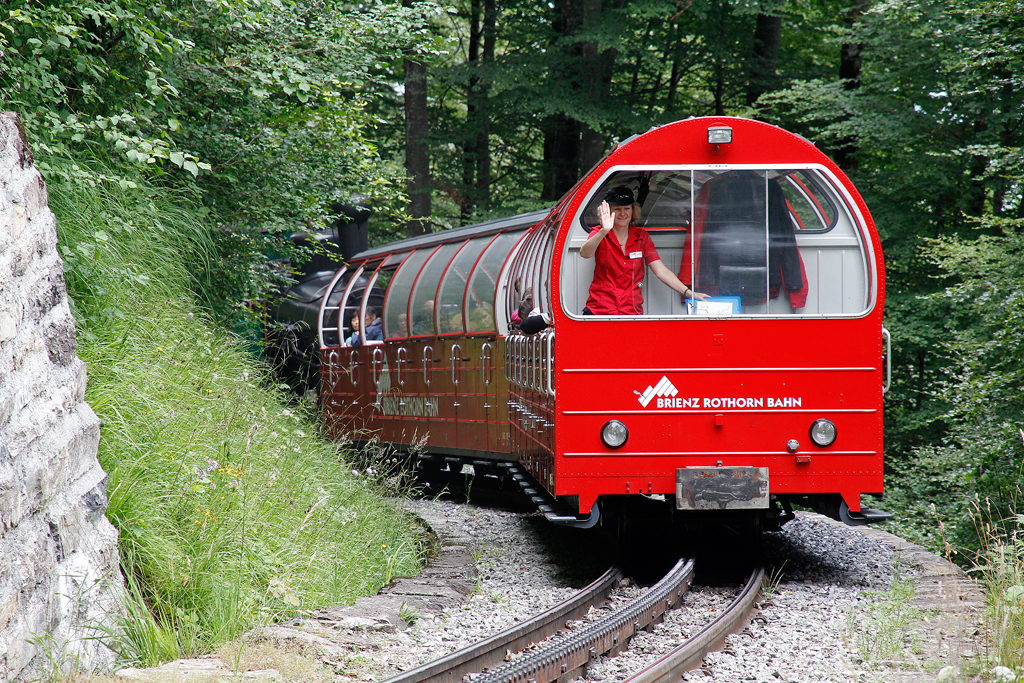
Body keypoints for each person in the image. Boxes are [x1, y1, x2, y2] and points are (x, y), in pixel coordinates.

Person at [580, 186, 707, 315]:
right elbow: (585, 253)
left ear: (633, 210)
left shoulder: (641, 236)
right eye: (617, 209)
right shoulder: (599, 233)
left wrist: (689, 293)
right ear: (607, 212)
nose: (622, 213)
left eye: (627, 208)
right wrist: (604, 230)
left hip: (630, 312)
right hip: (600, 311)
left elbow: (661, 271)